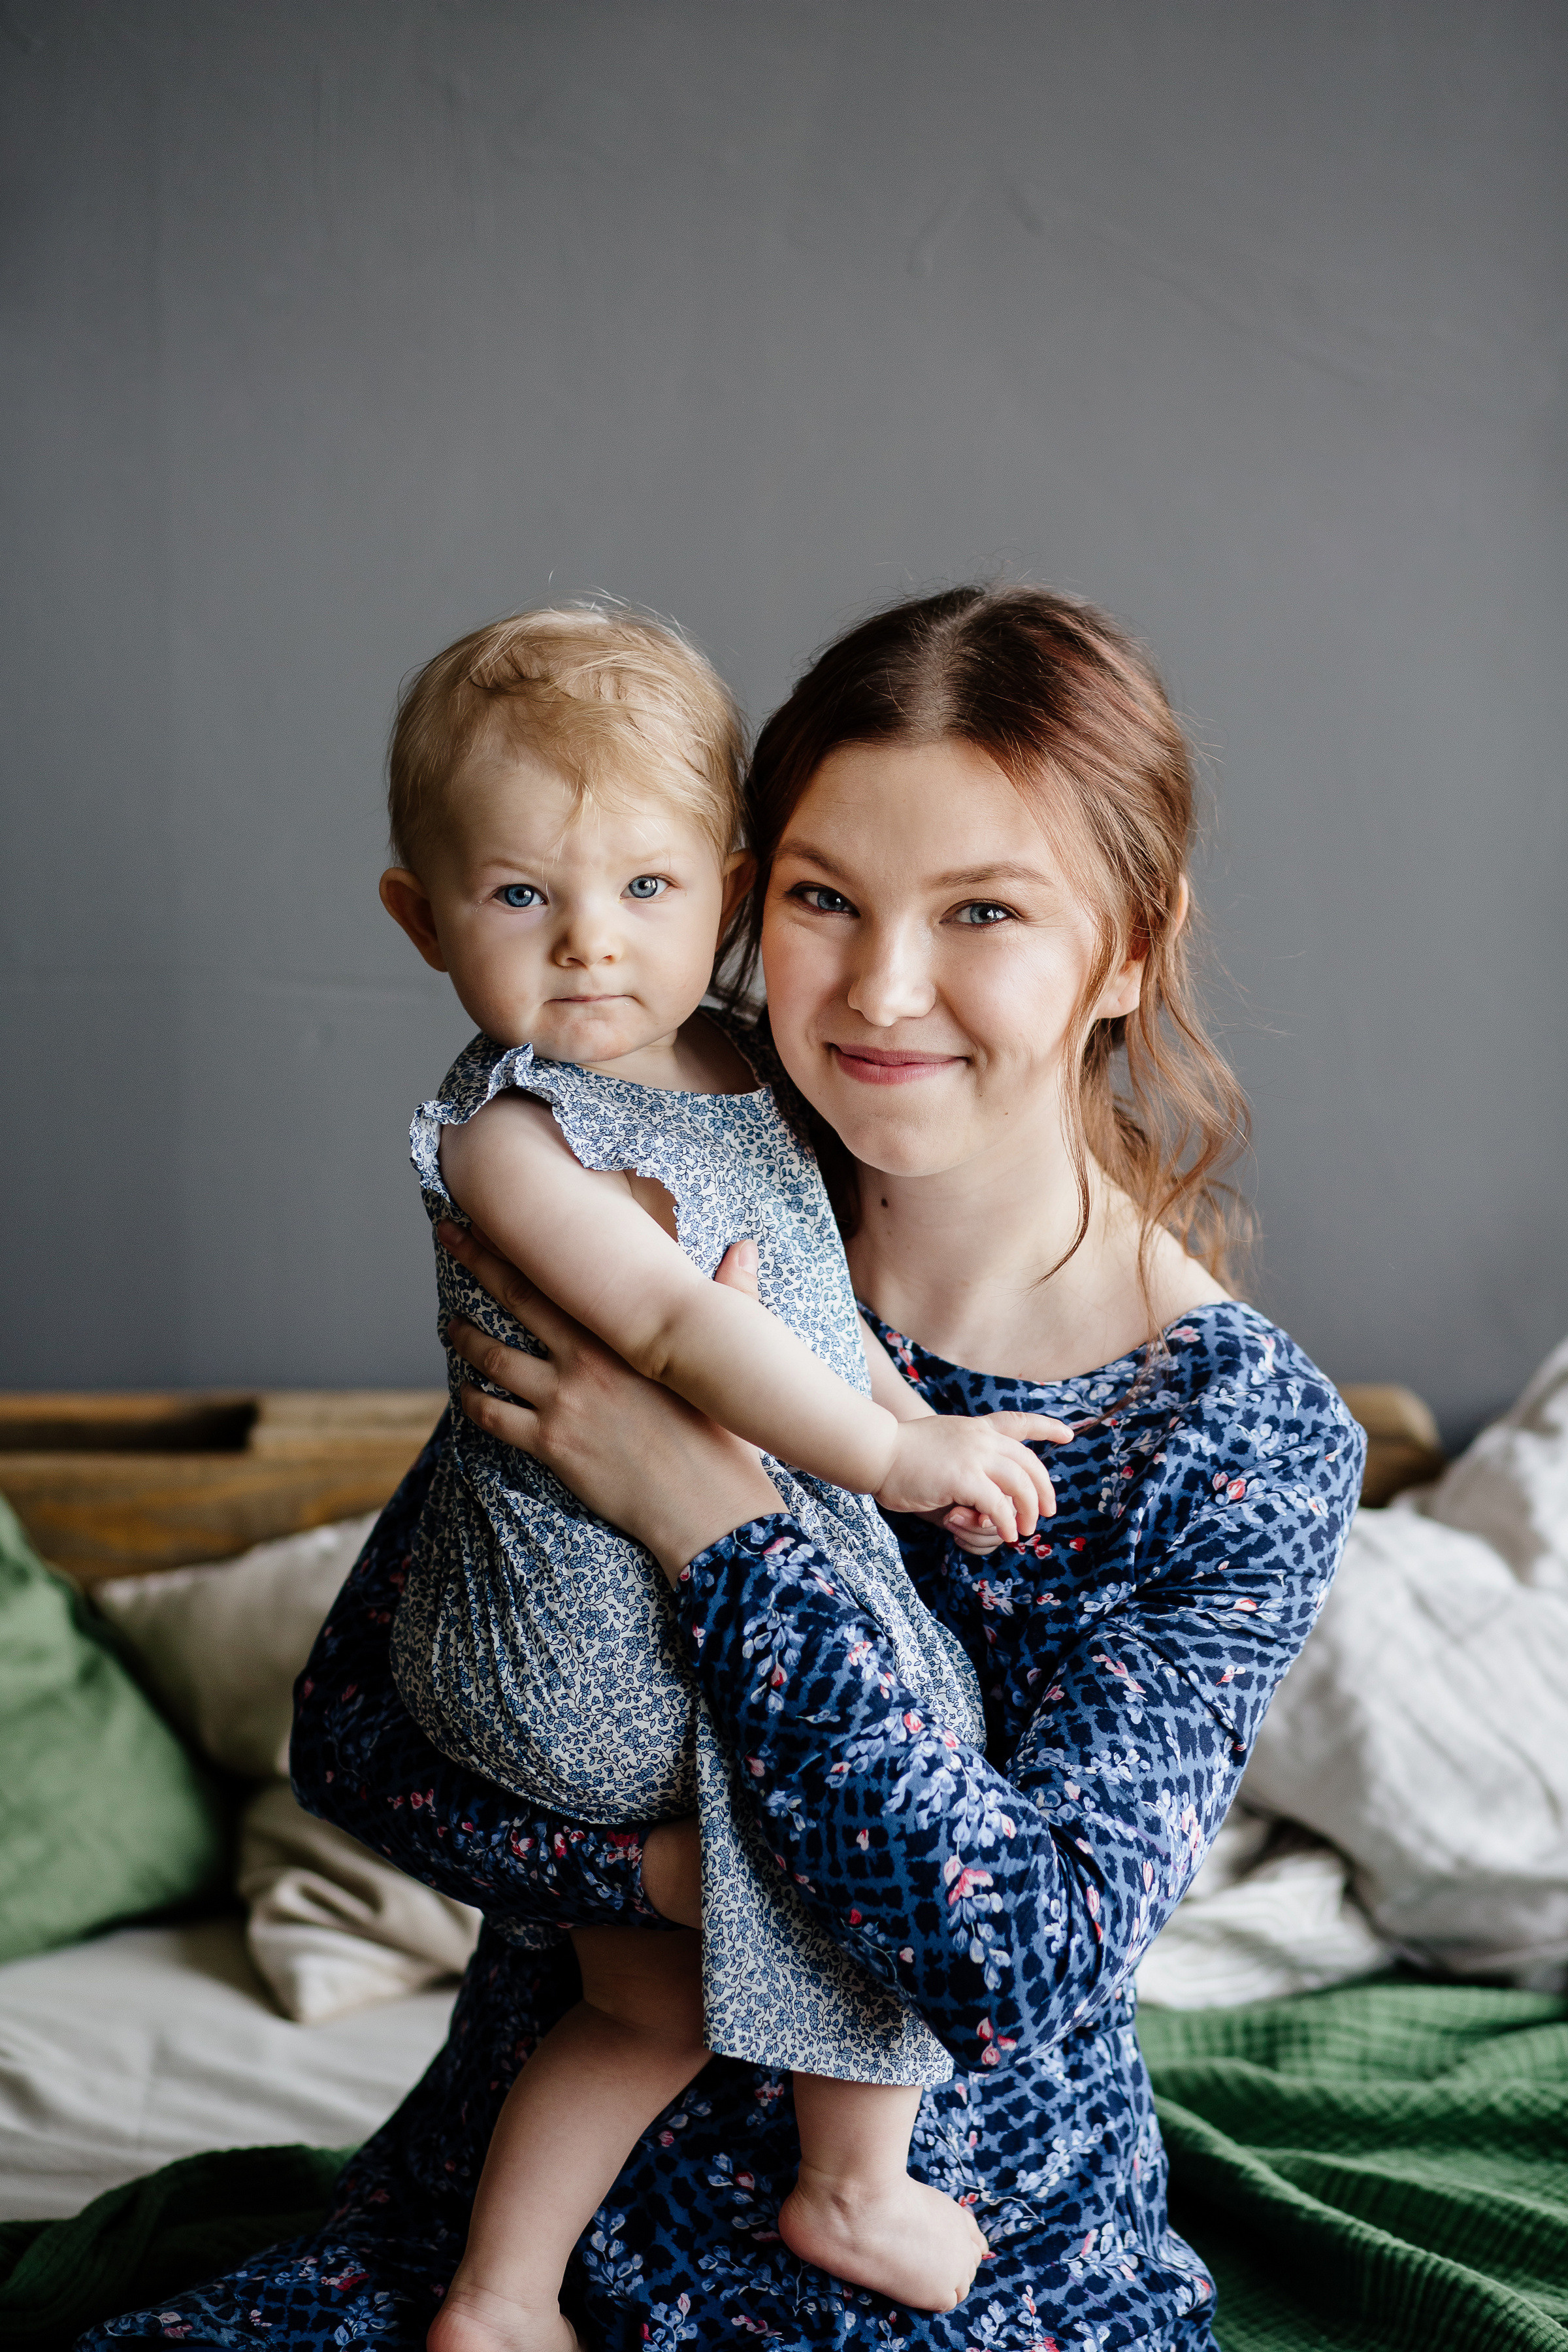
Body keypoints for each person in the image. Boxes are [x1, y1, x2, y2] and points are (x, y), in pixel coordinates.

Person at [84, 584, 1364, 2352]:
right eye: (824, 901)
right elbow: (360, 1737)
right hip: (520, 2219)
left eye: (984, 910)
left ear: (1130, 948)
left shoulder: (1237, 1440)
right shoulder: (661, 1192)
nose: (884, 987)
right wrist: (663, 1881)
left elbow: (1013, 1960)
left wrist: (716, 1518)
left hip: (959, 2267)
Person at [374, 606, 1067, 2347]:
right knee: (907, 1704)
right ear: (420, 914)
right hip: (564, 1643)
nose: (591, 949)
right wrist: (905, 1450)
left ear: (730, 890)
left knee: (642, 2012)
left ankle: (502, 2293)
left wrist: (874, 1397)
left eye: (647, 892)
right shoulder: (516, 1137)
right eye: (521, 896)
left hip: (626, 1596)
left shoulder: (741, 1063)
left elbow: (798, 1312)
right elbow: (684, 1337)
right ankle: (852, 2180)